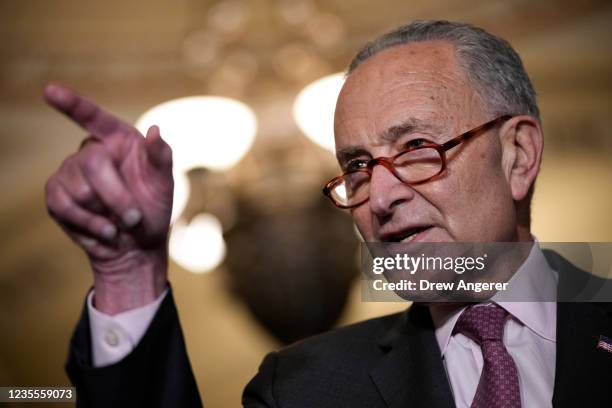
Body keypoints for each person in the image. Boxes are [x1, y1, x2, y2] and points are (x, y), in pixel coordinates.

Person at [44, 20, 611, 407]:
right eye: (358, 167)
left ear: (518, 155)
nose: (380, 199)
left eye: (415, 149)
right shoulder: (302, 389)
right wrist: (129, 270)